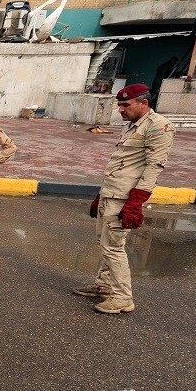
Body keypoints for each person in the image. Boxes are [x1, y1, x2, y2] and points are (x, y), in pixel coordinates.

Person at [72, 83, 175, 314]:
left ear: (143, 103)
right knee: (104, 244)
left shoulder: (159, 127)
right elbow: (122, 164)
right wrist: (101, 195)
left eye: (125, 104)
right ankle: (104, 285)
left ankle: (122, 298)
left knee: (113, 247)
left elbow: (153, 167)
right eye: (119, 104)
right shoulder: (132, 126)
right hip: (113, 193)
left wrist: (136, 202)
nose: (120, 109)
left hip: (125, 198)